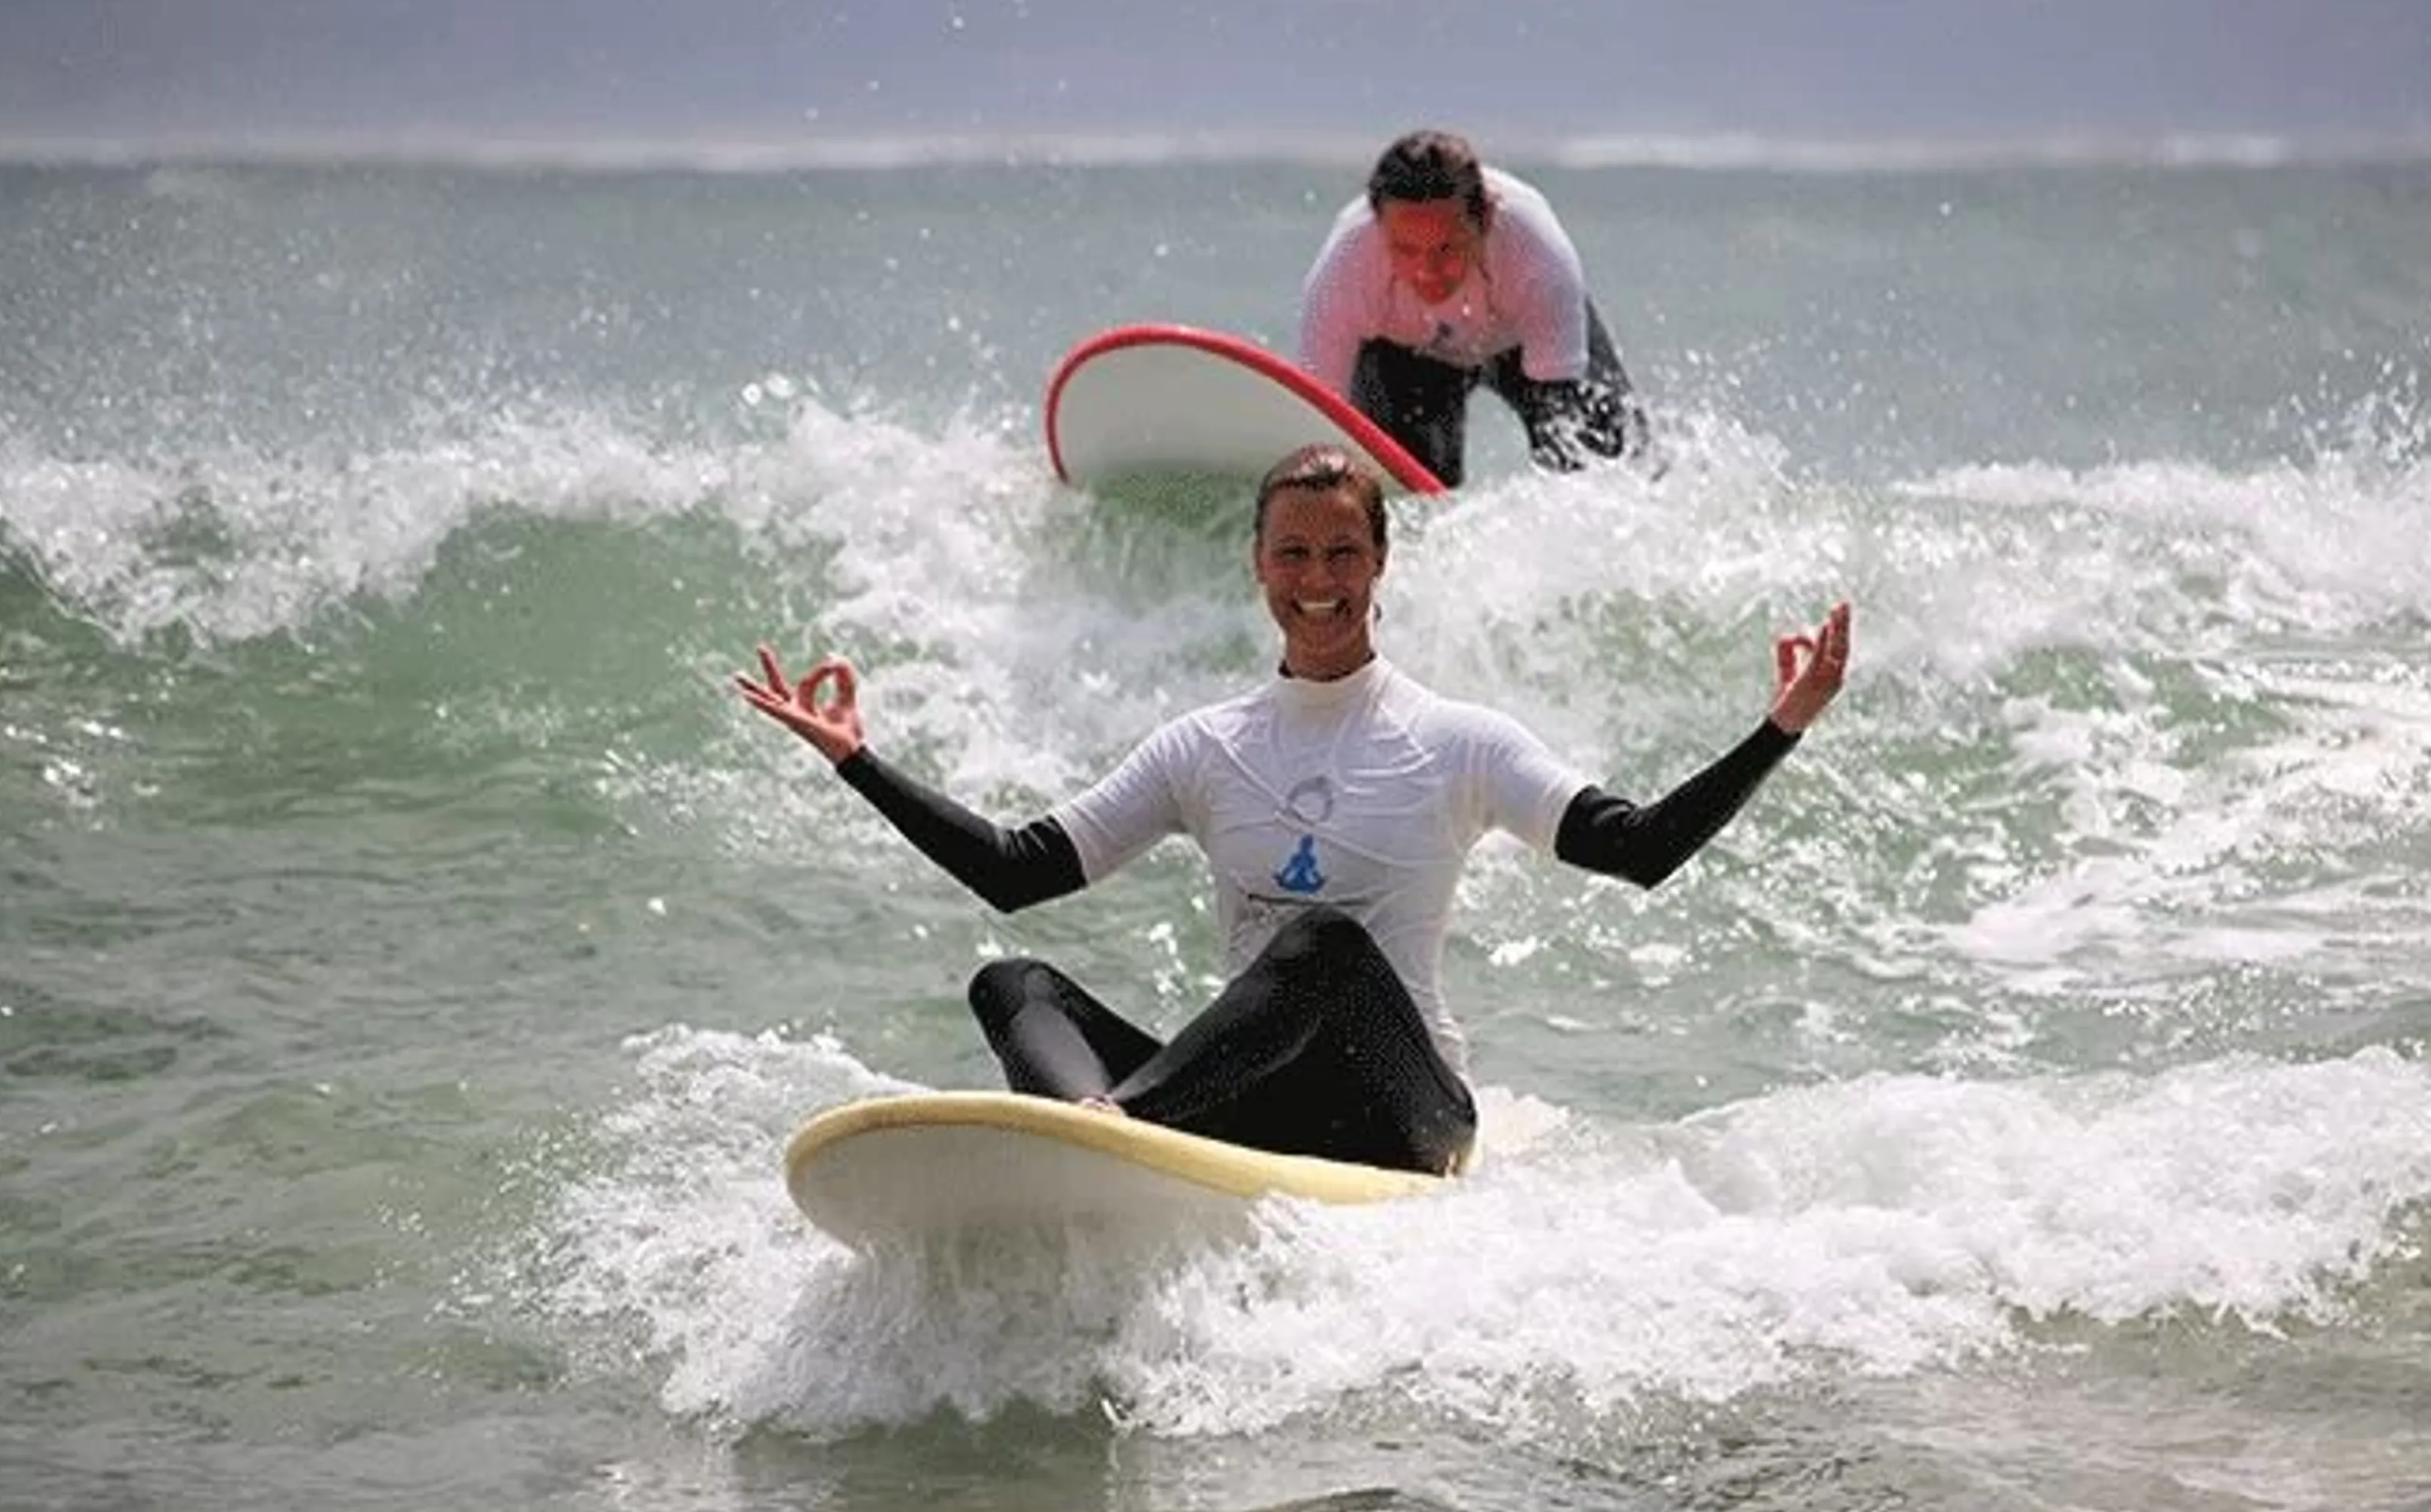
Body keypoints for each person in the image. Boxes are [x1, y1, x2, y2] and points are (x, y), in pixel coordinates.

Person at [733, 443, 1851, 1176]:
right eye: (1295, 553)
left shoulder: (1459, 740)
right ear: (1259, 565)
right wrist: (857, 759)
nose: (1319, 579)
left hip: (1403, 1117)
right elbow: (1017, 869)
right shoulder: (1204, 747)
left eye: (1344, 553)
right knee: (1012, 982)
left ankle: (1113, 1131)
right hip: (1248, 1106)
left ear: (1380, 563)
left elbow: (1639, 848)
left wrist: (1781, 727)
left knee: (1320, 946)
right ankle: (1100, 1137)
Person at [1297, 129, 1648, 489]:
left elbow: (1563, 424)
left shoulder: (1538, 255)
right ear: (1378, 227)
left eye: (1446, 249)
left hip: (1522, 340)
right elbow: (1320, 422)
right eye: (1405, 250)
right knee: (1402, 494)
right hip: (1405, 359)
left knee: (1610, 463)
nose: (1427, 272)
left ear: (1487, 218)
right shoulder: (1344, 267)